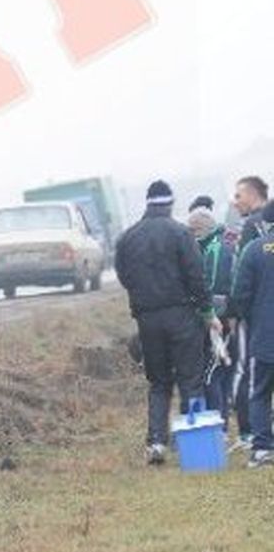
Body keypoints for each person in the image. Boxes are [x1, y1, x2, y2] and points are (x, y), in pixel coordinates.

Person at [115, 181, 221, 466]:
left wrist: (144, 296)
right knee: (191, 380)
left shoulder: (127, 238)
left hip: (147, 319)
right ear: (170, 203)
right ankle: (196, 446)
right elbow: (196, 276)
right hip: (182, 316)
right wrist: (208, 312)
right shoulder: (180, 233)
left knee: (158, 382)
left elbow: (124, 276)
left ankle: (156, 443)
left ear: (148, 203)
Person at [229, 201, 274, 468]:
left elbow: (239, 296)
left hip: (265, 337)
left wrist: (250, 320)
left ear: (265, 223)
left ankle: (263, 449)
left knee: (260, 393)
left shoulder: (254, 249)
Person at [188, 204, 235, 420]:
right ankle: (222, 419)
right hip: (222, 314)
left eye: (193, 231)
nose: (191, 236)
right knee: (222, 370)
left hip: (217, 317)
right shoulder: (214, 245)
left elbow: (212, 285)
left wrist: (204, 312)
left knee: (211, 373)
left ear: (203, 228)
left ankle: (217, 420)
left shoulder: (215, 248)